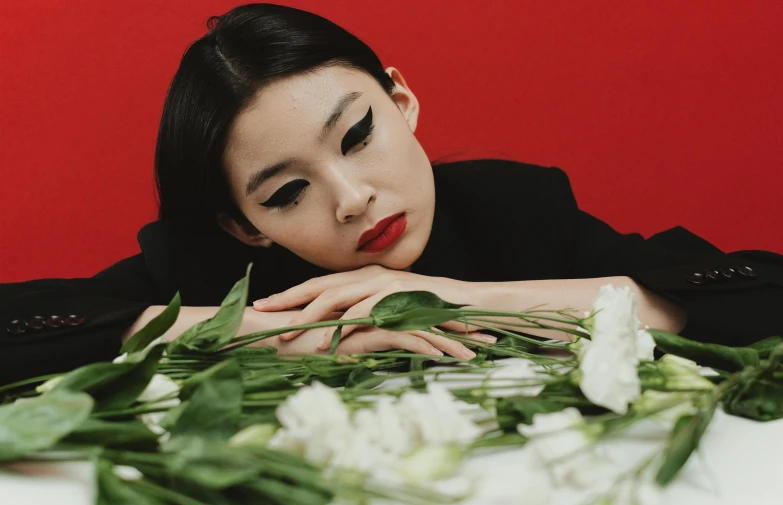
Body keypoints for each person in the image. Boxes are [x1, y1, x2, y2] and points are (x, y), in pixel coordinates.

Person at [2, 3, 782, 387]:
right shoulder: (205, 266)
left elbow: (758, 295)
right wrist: (287, 333)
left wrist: (458, 302)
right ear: (240, 225)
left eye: (356, 136)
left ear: (400, 100)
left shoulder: (514, 208)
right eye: (285, 194)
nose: (350, 198)